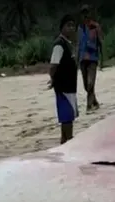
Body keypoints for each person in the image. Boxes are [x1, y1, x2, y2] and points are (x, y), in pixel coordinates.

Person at [47, 14, 78, 144]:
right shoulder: (59, 45)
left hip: (69, 86)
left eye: (73, 26)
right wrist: (53, 79)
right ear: (62, 28)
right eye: (68, 25)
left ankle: (64, 140)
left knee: (68, 117)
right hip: (64, 87)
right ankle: (69, 141)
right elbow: (53, 65)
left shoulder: (67, 44)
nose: (71, 28)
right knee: (67, 117)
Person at [76, 4, 103, 112]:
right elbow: (78, 44)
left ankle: (89, 105)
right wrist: (76, 60)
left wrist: (102, 60)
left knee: (90, 82)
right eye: (83, 13)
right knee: (86, 86)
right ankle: (95, 101)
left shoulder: (95, 27)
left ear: (90, 13)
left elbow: (100, 42)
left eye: (87, 12)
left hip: (93, 58)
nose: (85, 15)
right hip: (83, 59)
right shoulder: (80, 28)